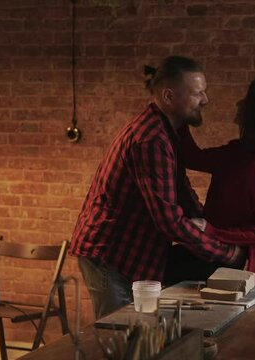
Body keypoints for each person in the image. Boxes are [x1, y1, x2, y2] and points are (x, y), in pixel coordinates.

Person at [69, 56, 245, 319]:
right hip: (111, 255)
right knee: (119, 338)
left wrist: (211, 226)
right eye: (197, 93)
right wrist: (226, 252)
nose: (205, 100)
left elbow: (181, 188)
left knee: (136, 336)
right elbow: (169, 221)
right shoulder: (151, 139)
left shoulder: (167, 132)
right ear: (168, 96)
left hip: (129, 253)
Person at [165, 78, 255, 285]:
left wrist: (211, 230)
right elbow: (193, 158)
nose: (239, 104)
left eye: (246, 102)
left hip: (224, 259)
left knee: (155, 267)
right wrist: (180, 115)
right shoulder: (240, 151)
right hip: (213, 249)